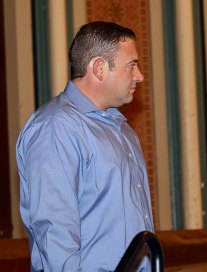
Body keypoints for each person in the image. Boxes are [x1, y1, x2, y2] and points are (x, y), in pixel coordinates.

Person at [16, 21, 154, 271]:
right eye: (131, 66)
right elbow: (54, 232)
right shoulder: (56, 128)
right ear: (99, 68)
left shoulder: (121, 128)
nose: (140, 76)